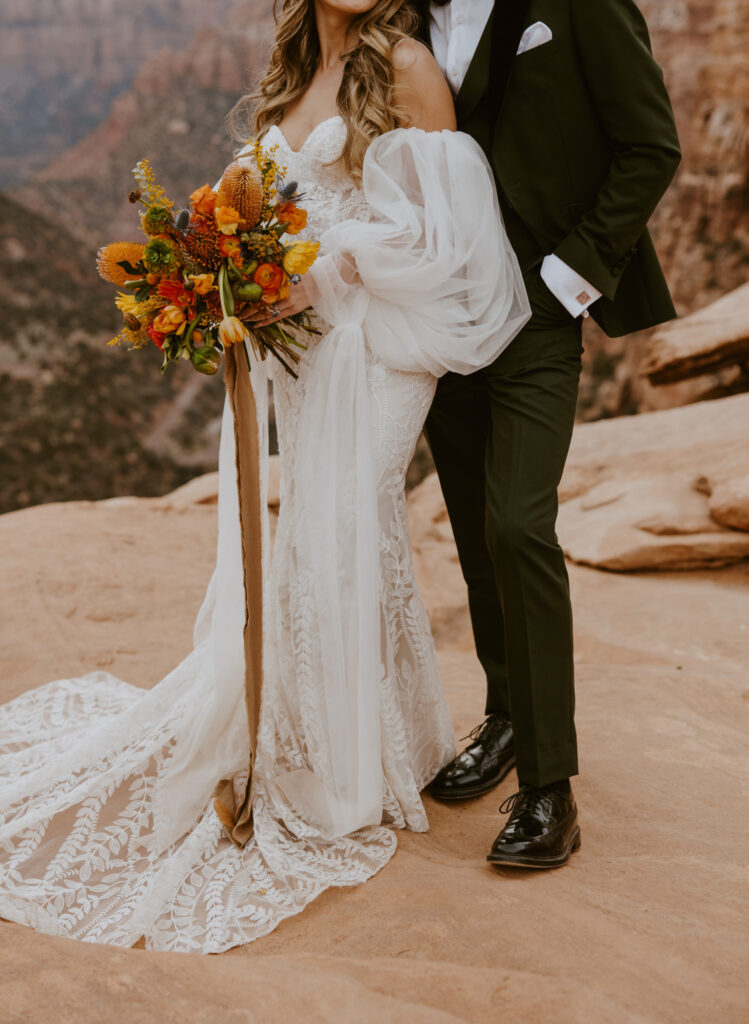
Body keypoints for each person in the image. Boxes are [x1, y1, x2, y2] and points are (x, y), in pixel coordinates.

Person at [0, 1, 529, 951]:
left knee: (346, 526)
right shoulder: (292, 73)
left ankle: (338, 772)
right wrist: (219, 284)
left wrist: (319, 275)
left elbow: (452, 243)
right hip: (295, 353)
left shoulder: (405, 65)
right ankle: (317, 736)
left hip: (373, 348)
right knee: (300, 535)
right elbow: (264, 206)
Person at [416, 0, 681, 868]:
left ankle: (548, 789)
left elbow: (649, 144)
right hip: (441, 307)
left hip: (536, 307)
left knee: (518, 524)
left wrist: (571, 274)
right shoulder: (401, 17)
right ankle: (505, 717)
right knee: (472, 525)